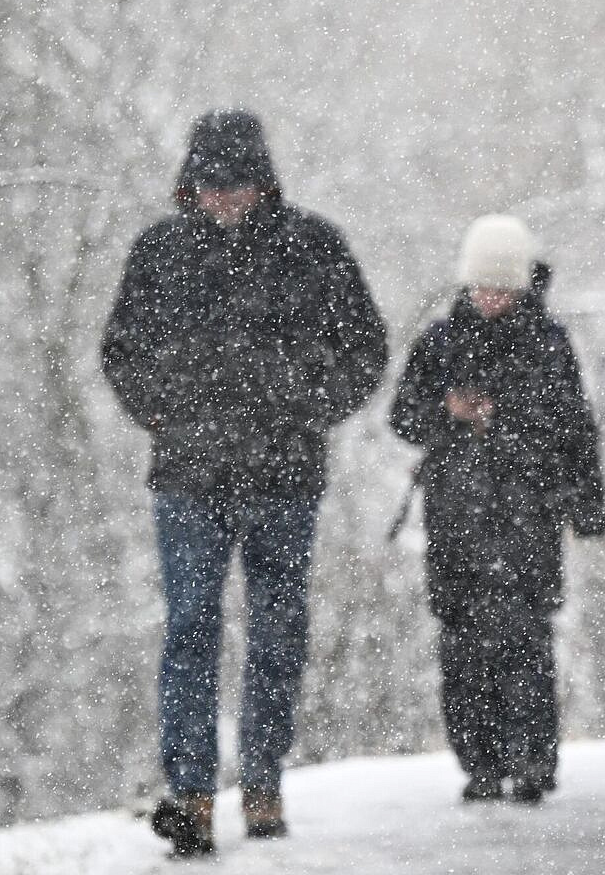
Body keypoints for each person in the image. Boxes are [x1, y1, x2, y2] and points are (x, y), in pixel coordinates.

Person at [99, 109, 388, 858]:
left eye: (238, 183)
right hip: (189, 477)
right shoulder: (160, 252)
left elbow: (365, 348)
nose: (224, 197)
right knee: (191, 626)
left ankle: (263, 780)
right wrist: (169, 411)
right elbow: (121, 351)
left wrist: (306, 407)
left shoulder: (312, 246)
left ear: (263, 183)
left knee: (277, 630)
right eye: (211, 184)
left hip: (284, 476)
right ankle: (191, 793)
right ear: (190, 185)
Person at [390, 215, 605, 805]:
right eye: (482, 285)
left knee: (524, 637)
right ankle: (480, 762)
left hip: (528, 511)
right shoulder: (439, 342)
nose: (490, 297)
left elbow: (574, 427)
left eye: (502, 287)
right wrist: (447, 411)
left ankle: (531, 757)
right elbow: (403, 415)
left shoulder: (548, 344)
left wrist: (586, 504)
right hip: (456, 514)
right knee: (462, 640)